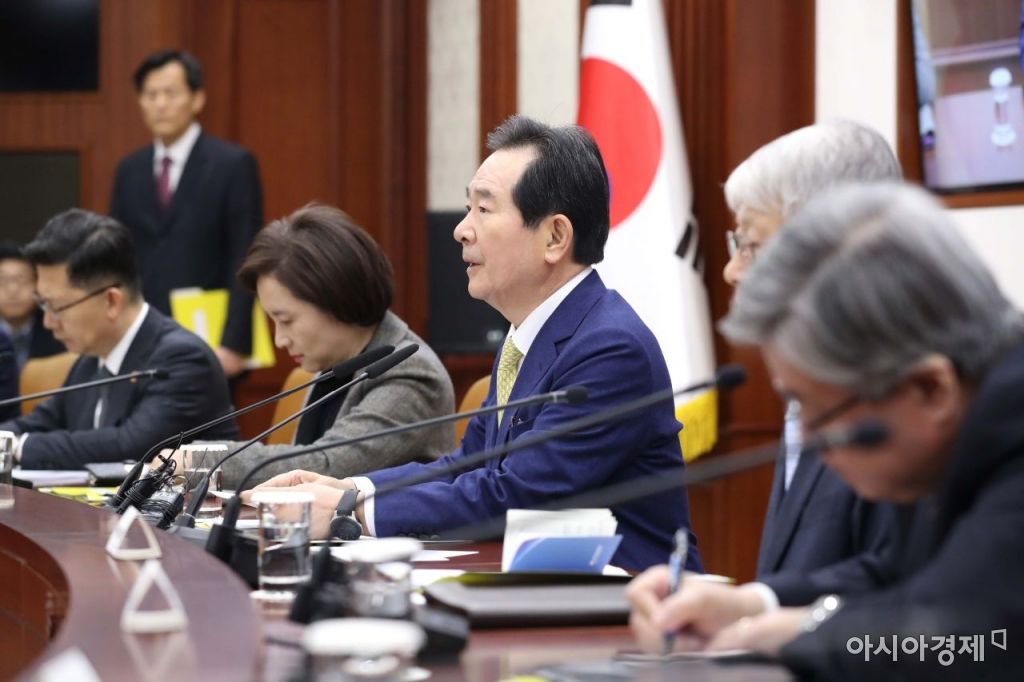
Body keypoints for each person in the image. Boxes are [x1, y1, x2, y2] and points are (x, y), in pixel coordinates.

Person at [247, 115, 701, 572]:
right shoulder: (527, 335)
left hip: (629, 597)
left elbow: (518, 493)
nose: (461, 230)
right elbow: (469, 464)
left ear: (555, 237)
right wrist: (350, 488)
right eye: (468, 209)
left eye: (483, 209)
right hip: (545, 588)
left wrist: (350, 511)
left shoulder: (610, 349)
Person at [628, 183, 1024, 678]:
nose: (810, 441)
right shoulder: (957, 424)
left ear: (930, 389)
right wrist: (750, 604)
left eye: (815, 411)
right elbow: (893, 572)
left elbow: (971, 641)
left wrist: (796, 634)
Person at [721, 120, 903, 606]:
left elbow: (899, 584)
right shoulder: (813, 376)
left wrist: (756, 607)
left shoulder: (901, 389)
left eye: (750, 245)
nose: (732, 270)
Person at [210, 204, 455, 489]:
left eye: (286, 320)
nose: (280, 340)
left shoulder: (411, 373)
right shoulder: (336, 362)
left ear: (336, 299)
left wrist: (199, 461)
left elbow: (326, 466)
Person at [0, 209, 237, 469]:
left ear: (112, 301)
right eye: (43, 304)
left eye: (56, 307)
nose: (48, 321)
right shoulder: (90, 359)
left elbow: (132, 446)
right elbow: (39, 423)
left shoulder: (183, 359)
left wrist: (19, 447)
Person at [110, 49, 263, 378]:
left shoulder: (232, 164)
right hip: (143, 334)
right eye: (151, 95)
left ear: (197, 99)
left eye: (171, 93)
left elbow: (246, 254)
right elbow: (118, 258)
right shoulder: (129, 169)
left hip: (210, 333)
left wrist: (234, 343)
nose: (160, 104)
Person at [0, 243, 65, 370]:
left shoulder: (59, 331)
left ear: (38, 285)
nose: (13, 290)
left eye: (22, 280)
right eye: (2, 281)